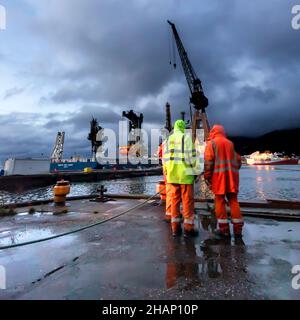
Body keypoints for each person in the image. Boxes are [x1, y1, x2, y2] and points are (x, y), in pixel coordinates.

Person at [204, 124, 243, 239]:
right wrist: (232, 171)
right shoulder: (230, 143)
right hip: (232, 178)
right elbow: (238, 161)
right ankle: (238, 230)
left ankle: (224, 230)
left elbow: (208, 163)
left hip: (219, 178)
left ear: (213, 132)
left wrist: (207, 177)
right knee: (233, 201)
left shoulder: (212, 143)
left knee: (219, 201)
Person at [163, 119, 197, 238]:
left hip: (172, 176)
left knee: (174, 202)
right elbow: (192, 157)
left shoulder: (168, 140)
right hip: (186, 176)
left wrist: (167, 173)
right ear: (182, 127)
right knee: (187, 202)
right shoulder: (186, 138)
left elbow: (165, 160)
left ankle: (175, 229)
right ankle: (188, 229)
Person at [158, 140, 172, 222]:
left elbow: (159, 154)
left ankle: (169, 214)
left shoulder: (164, 143)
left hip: (167, 170)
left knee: (170, 193)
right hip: (181, 172)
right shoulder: (185, 140)